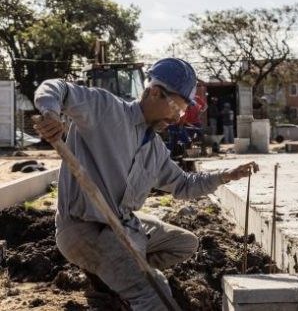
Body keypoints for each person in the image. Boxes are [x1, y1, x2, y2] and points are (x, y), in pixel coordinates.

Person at [33, 57, 258, 310]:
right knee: (154, 292)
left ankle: (112, 278)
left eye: (182, 111)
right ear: (154, 92)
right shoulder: (106, 110)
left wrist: (226, 176)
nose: (178, 117)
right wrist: (50, 113)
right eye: (177, 107)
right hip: (86, 230)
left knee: (184, 243)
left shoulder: (154, 149)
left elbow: (184, 185)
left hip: (124, 226)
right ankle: (130, 283)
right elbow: (55, 87)